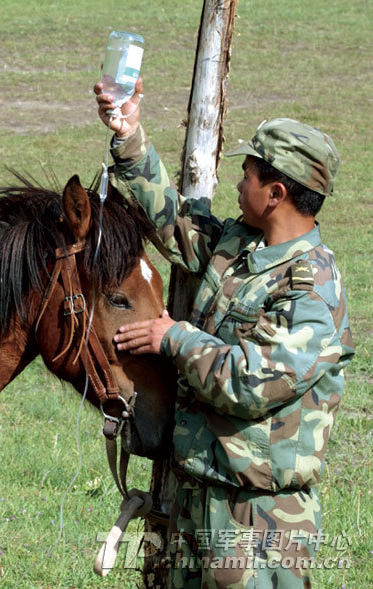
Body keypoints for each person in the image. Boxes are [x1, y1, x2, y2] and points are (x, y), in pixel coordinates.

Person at [94, 78, 353, 588]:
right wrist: (129, 135)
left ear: (276, 194)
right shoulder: (239, 245)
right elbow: (171, 221)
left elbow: (253, 383)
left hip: (257, 521)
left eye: (248, 173)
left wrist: (175, 338)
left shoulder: (313, 289)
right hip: (194, 499)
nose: (238, 182)